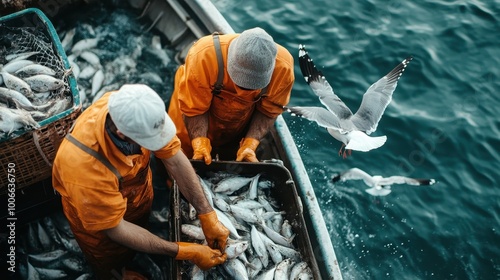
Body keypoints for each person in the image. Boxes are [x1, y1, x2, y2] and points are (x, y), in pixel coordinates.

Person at [52, 84, 229, 279]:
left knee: (141, 230)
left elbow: (175, 160)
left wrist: (206, 213)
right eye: (149, 140)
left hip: (137, 197)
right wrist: (181, 251)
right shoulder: (84, 168)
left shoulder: (132, 107)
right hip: (102, 227)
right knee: (110, 258)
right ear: (122, 134)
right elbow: (116, 229)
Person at [168, 27, 294, 164]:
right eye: (239, 82)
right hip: (189, 114)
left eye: (252, 86)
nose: (242, 91)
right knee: (175, 154)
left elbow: (269, 111)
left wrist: (250, 144)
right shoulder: (203, 56)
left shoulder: (284, 69)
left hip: (235, 127)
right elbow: (194, 109)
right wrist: (199, 143)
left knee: (231, 160)